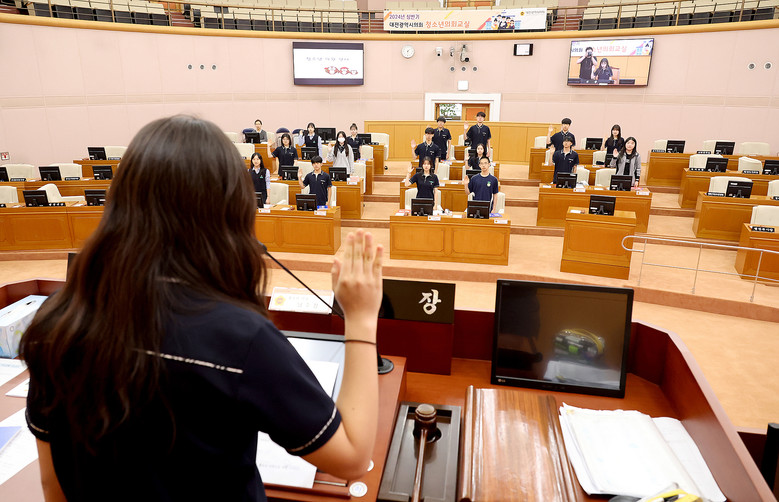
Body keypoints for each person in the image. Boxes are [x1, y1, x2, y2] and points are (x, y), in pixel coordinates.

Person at [20, 115, 383, 502]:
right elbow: (352, 456)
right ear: (229, 212)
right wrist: (361, 317)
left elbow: (53, 485)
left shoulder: (55, 323)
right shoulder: (241, 339)